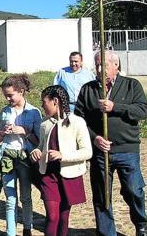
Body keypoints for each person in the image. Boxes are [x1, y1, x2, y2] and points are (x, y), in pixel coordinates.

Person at [74, 50, 147, 236]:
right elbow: (78, 120)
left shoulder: (131, 85)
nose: (99, 69)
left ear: (116, 66)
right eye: (97, 64)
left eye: (104, 65)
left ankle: (140, 223)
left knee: (134, 190)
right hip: (100, 152)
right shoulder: (88, 89)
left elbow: (143, 111)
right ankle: (106, 232)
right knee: (102, 194)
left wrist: (116, 107)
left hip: (127, 148)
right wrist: (94, 138)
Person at [30, 85, 92, 236]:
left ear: (55, 101)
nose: (42, 105)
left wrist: (62, 155)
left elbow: (87, 152)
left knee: (64, 217)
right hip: (48, 175)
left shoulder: (77, 122)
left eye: (44, 102)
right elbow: (40, 145)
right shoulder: (44, 124)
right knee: (52, 216)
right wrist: (36, 151)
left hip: (69, 175)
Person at [0, 74, 41, 236]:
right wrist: (2, 132)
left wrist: (24, 132)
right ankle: (11, 232)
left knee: (26, 197)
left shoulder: (34, 112)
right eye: (5, 96)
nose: (8, 99)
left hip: (24, 157)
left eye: (10, 95)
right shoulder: (4, 112)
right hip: (7, 155)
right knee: (10, 198)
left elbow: (38, 141)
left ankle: (27, 228)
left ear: (21, 91)